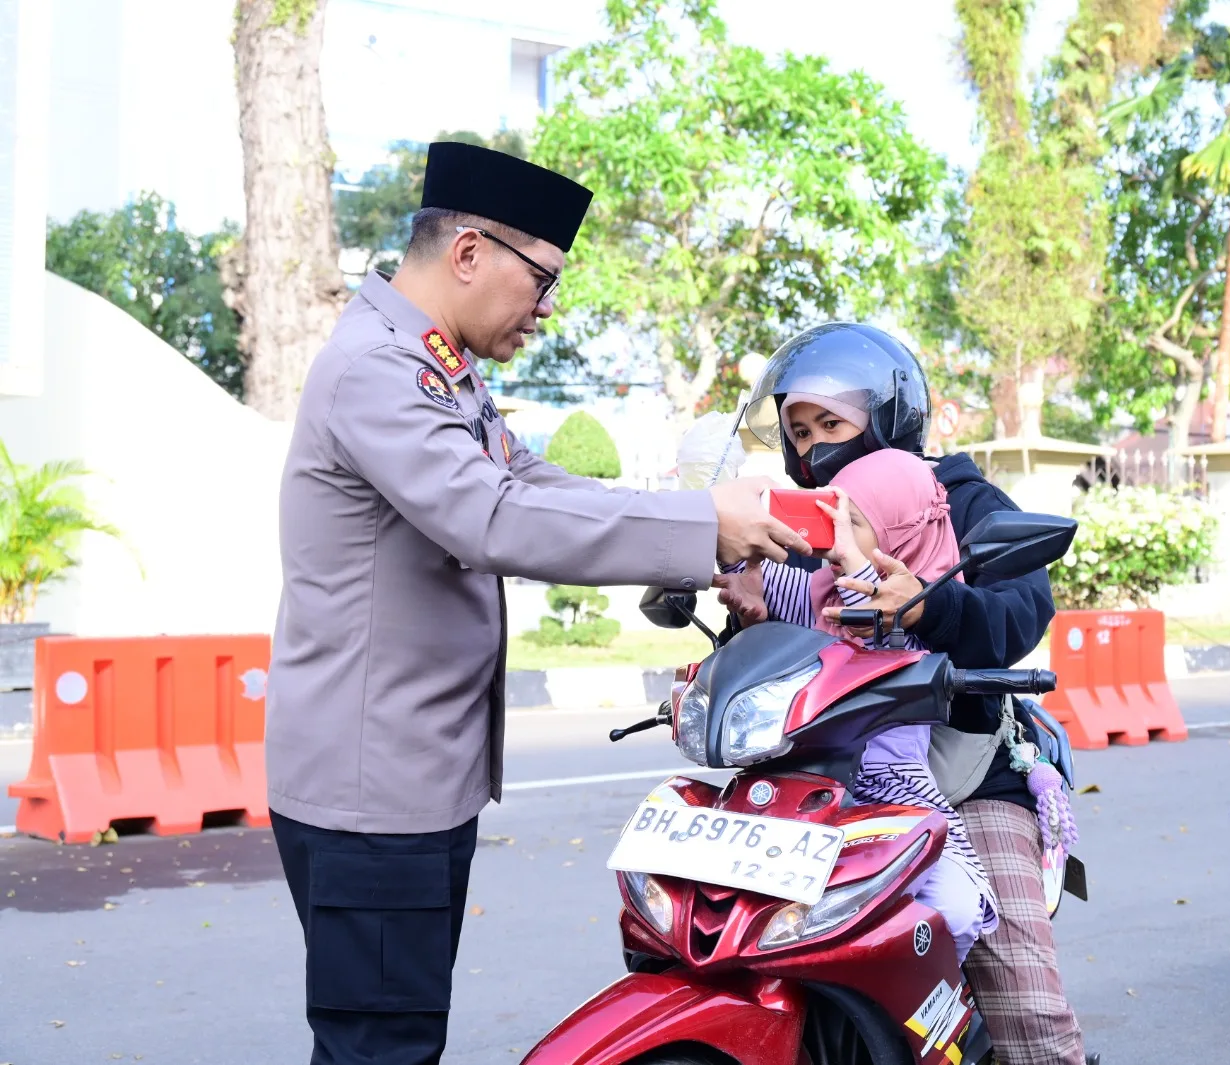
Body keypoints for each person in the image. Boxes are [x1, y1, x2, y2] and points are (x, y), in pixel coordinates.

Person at [266, 141, 807, 1065]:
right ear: (468, 253)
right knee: (381, 1048)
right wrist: (698, 526)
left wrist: (702, 526)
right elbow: (492, 517)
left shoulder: (437, 368)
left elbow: (535, 481)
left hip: (408, 779)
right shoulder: (377, 372)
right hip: (372, 793)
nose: (548, 306)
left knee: (393, 1037)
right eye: (543, 277)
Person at [722, 323, 1092, 1065]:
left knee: (1024, 1002)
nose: (813, 447)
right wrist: (742, 622)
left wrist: (927, 605)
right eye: (800, 431)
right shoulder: (801, 519)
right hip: (818, 768)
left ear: (885, 418)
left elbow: (1022, 611)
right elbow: (780, 633)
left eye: (831, 424)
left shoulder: (958, 497)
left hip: (959, 768)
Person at [735, 448, 1012, 960]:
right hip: (802, 788)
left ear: (899, 532)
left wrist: (856, 562)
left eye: (854, 523)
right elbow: (758, 576)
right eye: (834, 518)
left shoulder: (916, 606)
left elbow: (877, 627)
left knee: (955, 909)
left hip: (895, 795)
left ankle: (928, 1005)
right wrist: (734, 566)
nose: (835, 535)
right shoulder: (819, 591)